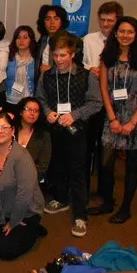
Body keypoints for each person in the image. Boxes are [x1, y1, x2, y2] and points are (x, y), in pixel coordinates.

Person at [88, 17, 137, 224]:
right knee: (105, 162)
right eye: (122, 31)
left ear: (136, 34)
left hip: (136, 116)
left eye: (130, 32)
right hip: (113, 115)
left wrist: (132, 122)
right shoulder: (107, 56)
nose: (125, 35)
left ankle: (126, 208)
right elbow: (104, 88)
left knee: (131, 165)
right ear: (115, 33)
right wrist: (112, 118)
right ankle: (107, 202)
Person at [35, 32, 102, 238]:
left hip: (77, 131)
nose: (59, 59)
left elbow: (96, 103)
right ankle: (62, 199)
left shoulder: (86, 76)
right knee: (56, 166)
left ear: (72, 54)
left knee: (77, 172)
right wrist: (47, 112)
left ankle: (81, 215)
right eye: (55, 55)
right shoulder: (47, 76)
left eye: (63, 55)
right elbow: (40, 98)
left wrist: (74, 115)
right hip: (55, 130)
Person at [0, 112, 45, 261]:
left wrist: (14, 221)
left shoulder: (21, 156)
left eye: (5, 127)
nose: (0, 131)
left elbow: (25, 195)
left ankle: (33, 229)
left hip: (26, 211)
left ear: (12, 131)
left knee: (4, 249)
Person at [82, 1, 124, 196]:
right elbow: (80, 64)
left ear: (118, 20)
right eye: (102, 20)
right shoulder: (89, 39)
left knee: (107, 152)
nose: (105, 24)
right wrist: (90, 69)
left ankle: (105, 193)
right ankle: (82, 191)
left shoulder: (123, 43)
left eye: (110, 20)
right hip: (92, 100)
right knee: (86, 148)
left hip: (114, 104)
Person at [14, 97, 51, 185]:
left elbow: (43, 165)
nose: (32, 113)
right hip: (8, 179)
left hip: (32, 181)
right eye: (29, 109)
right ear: (21, 112)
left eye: (36, 111)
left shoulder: (43, 135)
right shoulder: (10, 131)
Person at [5, 25, 37, 112]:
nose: (21, 40)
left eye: (25, 37)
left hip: (30, 101)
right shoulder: (8, 58)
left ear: (31, 40)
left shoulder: (36, 60)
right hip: (11, 100)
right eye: (18, 37)